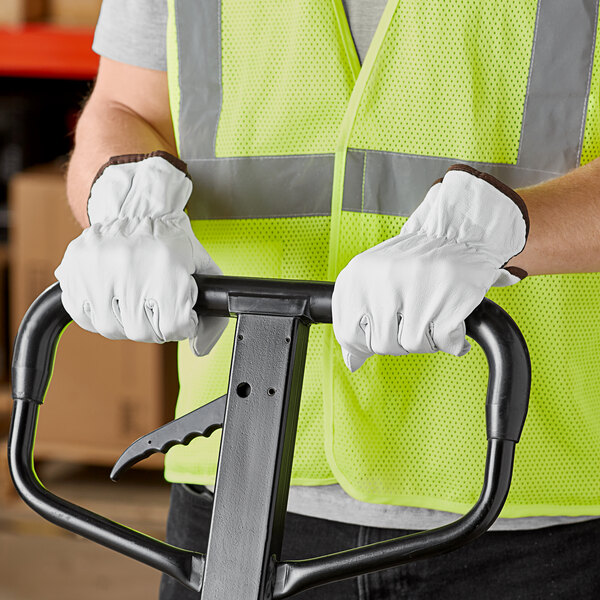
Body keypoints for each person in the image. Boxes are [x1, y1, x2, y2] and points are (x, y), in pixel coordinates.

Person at [56, 1, 600, 597]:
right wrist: (120, 198)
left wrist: (514, 230)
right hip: (240, 483)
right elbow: (128, 107)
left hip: (539, 504)